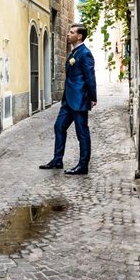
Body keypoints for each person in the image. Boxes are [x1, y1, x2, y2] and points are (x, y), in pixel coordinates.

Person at [39, 23, 97, 175]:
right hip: (68, 100)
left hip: (79, 100)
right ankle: (57, 160)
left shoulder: (85, 53)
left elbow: (90, 77)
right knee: (59, 127)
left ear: (79, 36)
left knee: (82, 132)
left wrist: (92, 97)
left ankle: (83, 165)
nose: (68, 34)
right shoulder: (73, 53)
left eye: (71, 32)